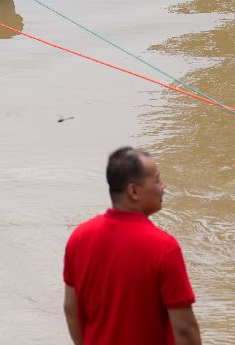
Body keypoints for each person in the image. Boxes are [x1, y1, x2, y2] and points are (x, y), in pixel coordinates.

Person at [63, 147, 201, 345]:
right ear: (134, 191)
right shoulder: (164, 247)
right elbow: (185, 330)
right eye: (157, 180)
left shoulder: (79, 238)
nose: (163, 186)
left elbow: (71, 310)